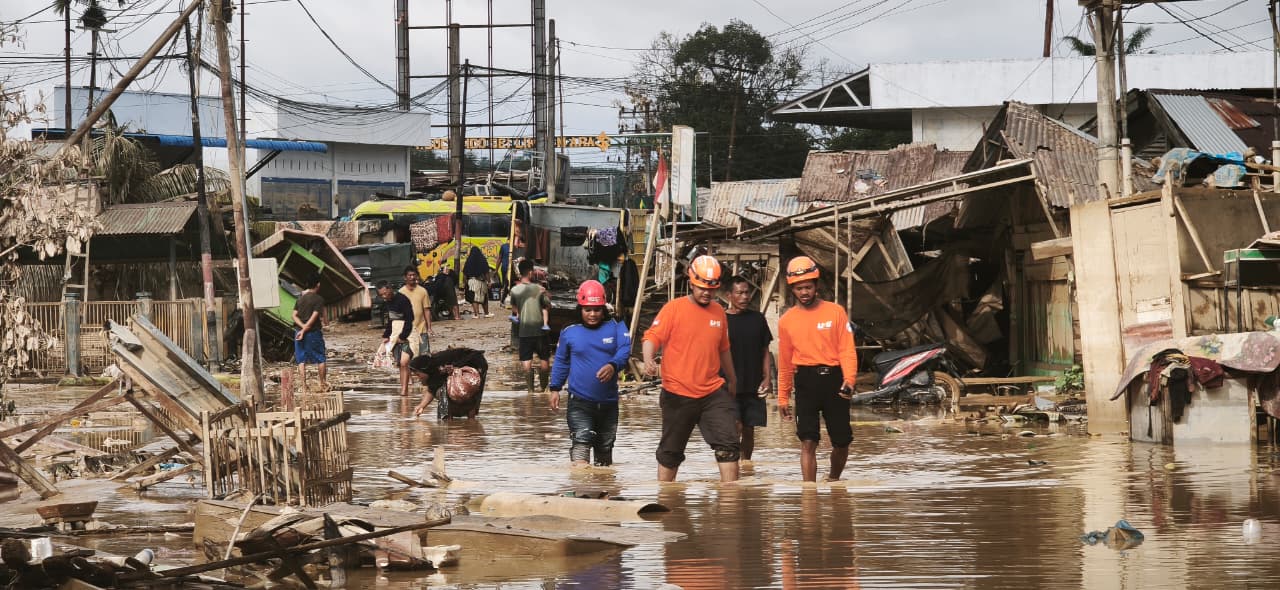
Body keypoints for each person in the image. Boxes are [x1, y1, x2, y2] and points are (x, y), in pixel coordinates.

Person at [642, 255, 740, 483]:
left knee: (729, 445)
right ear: (691, 283)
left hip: (712, 391)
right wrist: (649, 360)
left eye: (711, 288)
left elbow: (724, 349)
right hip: (677, 392)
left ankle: (731, 506)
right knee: (670, 453)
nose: (706, 293)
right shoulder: (673, 309)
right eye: (701, 287)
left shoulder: (718, 313)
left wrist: (733, 379)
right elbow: (652, 337)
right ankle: (665, 499)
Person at [776, 255, 859, 483]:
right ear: (792, 289)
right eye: (799, 288)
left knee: (842, 441)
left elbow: (847, 350)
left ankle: (833, 480)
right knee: (808, 440)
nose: (804, 292)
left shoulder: (836, 312)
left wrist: (849, 380)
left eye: (808, 287)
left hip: (835, 381)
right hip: (805, 383)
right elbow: (785, 362)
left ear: (816, 286)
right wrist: (783, 397)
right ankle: (809, 492)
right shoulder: (786, 321)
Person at [548, 280, 631, 467]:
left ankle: (601, 489)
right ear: (580, 309)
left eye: (597, 310)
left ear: (604, 309)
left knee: (605, 452)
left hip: (609, 403)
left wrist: (613, 365)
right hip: (579, 402)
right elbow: (562, 361)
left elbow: (625, 350)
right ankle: (580, 488)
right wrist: (555, 388)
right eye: (587, 310)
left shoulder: (616, 326)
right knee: (581, 442)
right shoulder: (569, 332)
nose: (592, 314)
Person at [724, 275, 773, 462]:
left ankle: (746, 465)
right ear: (729, 295)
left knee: (749, 429)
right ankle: (731, 464)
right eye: (740, 293)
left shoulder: (758, 319)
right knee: (734, 425)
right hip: (728, 385)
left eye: (747, 292)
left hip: (753, 384)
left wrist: (767, 378)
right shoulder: (721, 320)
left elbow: (765, 352)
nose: (745, 297)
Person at [510, 259, 552, 393]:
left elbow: (515, 309)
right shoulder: (538, 289)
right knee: (544, 359)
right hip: (540, 331)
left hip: (524, 331)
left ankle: (530, 391)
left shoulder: (515, 290)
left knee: (526, 361)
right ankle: (543, 388)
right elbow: (547, 305)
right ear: (529, 272)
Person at [410, 347, 488, 420]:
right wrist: (421, 406)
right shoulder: (432, 370)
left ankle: (448, 418)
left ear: (424, 370)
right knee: (448, 390)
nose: (418, 378)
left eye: (418, 375)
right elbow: (432, 389)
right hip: (468, 368)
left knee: (463, 391)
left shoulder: (441, 367)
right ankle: (467, 421)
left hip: (476, 366)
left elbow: (434, 389)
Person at [377, 281, 415, 397]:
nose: (384, 297)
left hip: (409, 335)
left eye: (385, 294)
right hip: (394, 335)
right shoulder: (387, 303)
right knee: (400, 364)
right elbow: (390, 321)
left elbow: (410, 319)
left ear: (390, 289)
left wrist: (403, 336)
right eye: (381, 295)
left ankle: (404, 389)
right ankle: (404, 388)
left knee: (404, 362)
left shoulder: (403, 300)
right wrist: (386, 335)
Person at [291, 273, 328, 392]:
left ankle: (303, 386)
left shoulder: (300, 298)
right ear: (318, 285)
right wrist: (305, 329)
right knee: (320, 358)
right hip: (313, 332)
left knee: (301, 360)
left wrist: (301, 328)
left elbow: (294, 315)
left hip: (298, 331)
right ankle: (322, 384)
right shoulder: (318, 299)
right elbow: (314, 317)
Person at [399, 266, 432, 357]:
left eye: (414, 275)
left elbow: (426, 310)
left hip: (421, 329)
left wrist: (429, 327)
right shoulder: (401, 293)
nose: (412, 277)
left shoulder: (423, 291)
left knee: (424, 356)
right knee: (407, 357)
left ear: (417, 277)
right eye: (409, 275)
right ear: (405, 277)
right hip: (407, 331)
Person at [463, 245, 492, 318]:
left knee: (474, 299)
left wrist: (465, 282)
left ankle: (476, 314)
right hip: (481, 281)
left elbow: (464, 273)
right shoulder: (483, 260)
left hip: (472, 282)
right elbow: (486, 272)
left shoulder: (468, 261)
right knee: (484, 298)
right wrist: (489, 282)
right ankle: (486, 313)